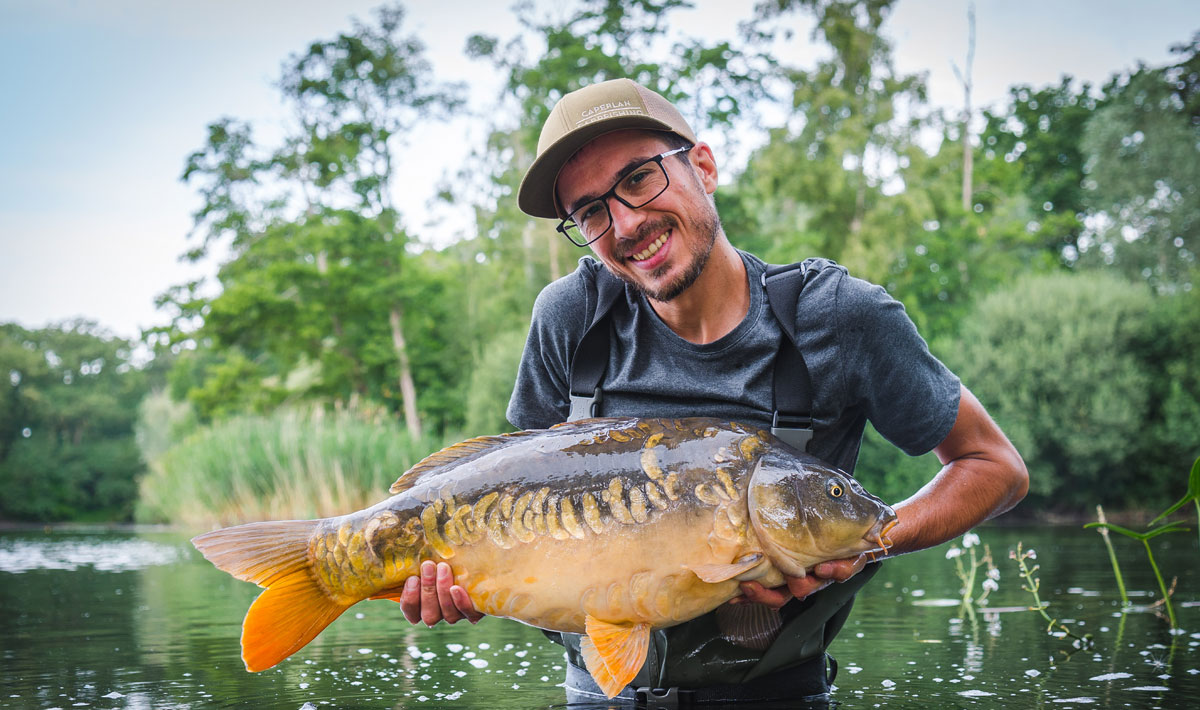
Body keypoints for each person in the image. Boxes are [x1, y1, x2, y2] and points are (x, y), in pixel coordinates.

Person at [399, 78, 1028, 705]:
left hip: (776, 692)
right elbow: (508, 498)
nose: (624, 224)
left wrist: (869, 542)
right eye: (590, 212)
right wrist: (477, 581)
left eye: (639, 178)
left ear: (703, 165)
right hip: (600, 691)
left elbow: (994, 467)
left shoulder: (839, 317)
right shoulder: (571, 316)